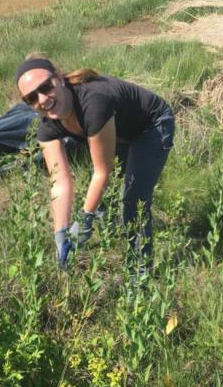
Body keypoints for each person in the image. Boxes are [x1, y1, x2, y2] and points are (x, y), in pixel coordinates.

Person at [15, 55, 175, 273]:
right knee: (104, 198)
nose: (42, 99)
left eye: (45, 87)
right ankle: (108, 226)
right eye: (31, 98)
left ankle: (140, 278)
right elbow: (59, 182)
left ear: (60, 78)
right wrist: (61, 234)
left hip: (151, 125)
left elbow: (102, 172)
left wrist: (83, 219)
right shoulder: (47, 128)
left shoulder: (93, 101)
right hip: (119, 132)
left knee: (133, 200)